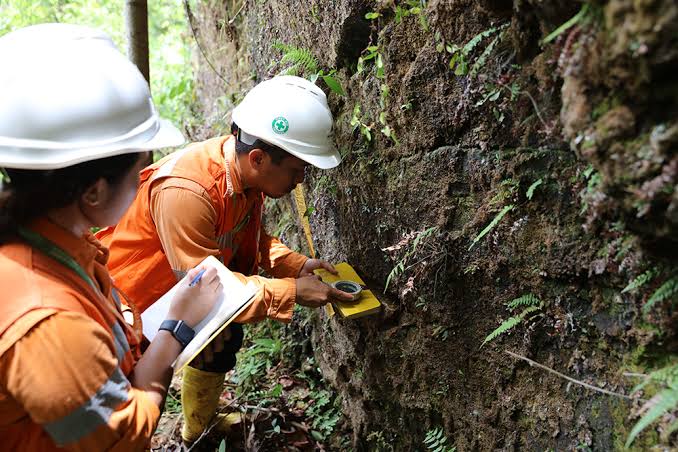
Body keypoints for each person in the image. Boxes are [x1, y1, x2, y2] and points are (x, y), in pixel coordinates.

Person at [97, 75, 355, 444]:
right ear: (258, 157)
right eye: (297, 170)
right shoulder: (188, 192)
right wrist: (293, 291)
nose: (301, 181)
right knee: (126, 400)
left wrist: (293, 264)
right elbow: (208, 288)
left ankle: (197, 430)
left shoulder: (246, 176)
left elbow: (244, 236)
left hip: (179, 295)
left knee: (223, 341)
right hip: (132, 306)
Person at [0, 24, 222, 450]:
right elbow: (122, 437)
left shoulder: (42, 241)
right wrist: (177, 328)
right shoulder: (49, 322)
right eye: (139, 169)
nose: (144, 180)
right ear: (94, 191)